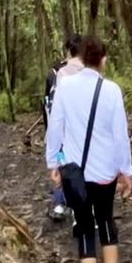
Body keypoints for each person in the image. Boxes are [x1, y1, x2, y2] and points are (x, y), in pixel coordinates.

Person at [45, 36, 132, 263]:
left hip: (75, 174)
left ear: (81, 58)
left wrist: (53, 162)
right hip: (105, 172)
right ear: (103, 60)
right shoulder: (111, 90)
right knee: (106, 222)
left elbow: (55, 126)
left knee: (84, 229)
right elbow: (120, 135)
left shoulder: (65, 86)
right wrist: (125, 171)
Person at [44, 36, 84, 219]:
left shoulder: (57, 72)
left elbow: (50, 104)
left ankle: (60, 203)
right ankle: (79, 205)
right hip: (81, 128)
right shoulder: (90, 71)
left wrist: (50, 129)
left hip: (62, 129)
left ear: (68, 51)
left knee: (61, 163)